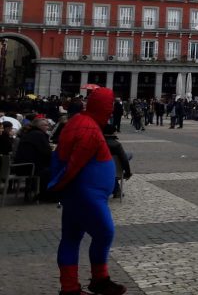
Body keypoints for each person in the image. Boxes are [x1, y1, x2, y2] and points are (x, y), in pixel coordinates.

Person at [49, 87, 127, 295]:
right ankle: (99, 279)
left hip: (78, 193)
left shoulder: (78, 121)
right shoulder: (89, 129)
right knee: (105, 233)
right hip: (86, 195)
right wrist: (58, 185)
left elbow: (61, 157)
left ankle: (69, 287)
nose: (111, 111)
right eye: (109, 106)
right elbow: (74, 164)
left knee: (71, 238)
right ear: (103, 107)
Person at [101, 124, 132, 198]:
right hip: (114, 169)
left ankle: (116, 189)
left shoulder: (98, 142)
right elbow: (124, 160)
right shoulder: (116, 145)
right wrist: (127, 173)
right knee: (128, 155)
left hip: (99, 168)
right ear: (113, 133)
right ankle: (116, 189)